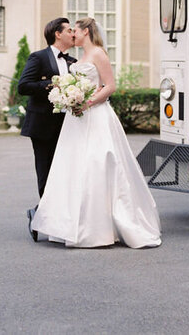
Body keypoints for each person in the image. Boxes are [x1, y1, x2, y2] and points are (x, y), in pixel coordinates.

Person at [31, 17, 161, 248]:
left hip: (96, 116)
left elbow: (110, 86)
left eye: (76, 31)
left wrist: (87, 103)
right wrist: (68, 98)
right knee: (73, 167)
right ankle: (71, 224)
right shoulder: (79, 57)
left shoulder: (99, 54)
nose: (73, 35)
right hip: (76, 120)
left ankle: (101, 226)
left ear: (86, 32)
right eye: (70, 31)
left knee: (98, 164)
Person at [17, 17, 77, 241]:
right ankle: (42, 215)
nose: (73, 34)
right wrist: (51, 84)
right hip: (42, 125)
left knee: (65, 173)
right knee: (46, 173)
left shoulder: (73, 61)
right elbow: (23, 86)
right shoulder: (38, 57)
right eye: (69, 30)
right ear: (57, 34)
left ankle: (46, 214)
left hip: (69, 126)